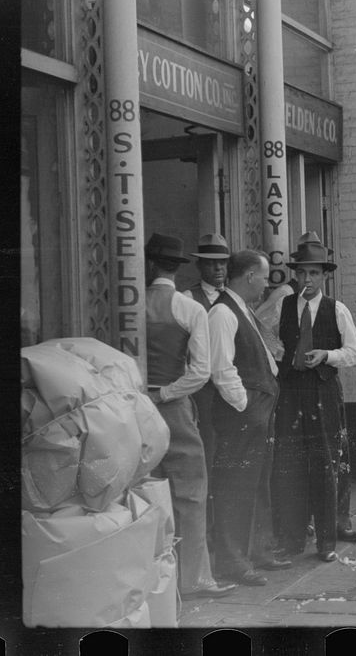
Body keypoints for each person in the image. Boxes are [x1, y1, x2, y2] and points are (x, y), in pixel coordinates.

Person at [144, 233, 237, 600]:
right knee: (192, 494)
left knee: (144, 492)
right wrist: (165, 394)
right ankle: (194, 578)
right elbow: (200, 373)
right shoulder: (189, 308)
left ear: (149, 264)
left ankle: (151, 578)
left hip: (134, 409)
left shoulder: (127, 306)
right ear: (179, 266)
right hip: (174, 407)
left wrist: (144, 395)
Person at [271, 237, 356, 563]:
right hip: (291, 391)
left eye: (314, 274)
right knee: (290, 464)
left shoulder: (336, 309)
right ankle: (291, 539)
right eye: (302, 274)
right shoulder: (284, 305)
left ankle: (326, 541)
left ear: (324, 275)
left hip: (322, 391)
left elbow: (355, 353)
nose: (307, 280)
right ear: (295, 275)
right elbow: (268, 339)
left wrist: (327, 354)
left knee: (325, 463)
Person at [207, 250, 287, 586]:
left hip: (258, 411)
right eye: (265, 276)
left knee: (255, 484)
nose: (268, 284)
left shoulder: (243, 310)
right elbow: (221, 368)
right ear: (250, 276)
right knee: (235, 487)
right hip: (244, 415)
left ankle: (257, 552)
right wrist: (245, 406)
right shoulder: (223, 314)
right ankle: (232, 561)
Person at [181, 232, 231, 551]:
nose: (218, 270)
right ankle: (209, 531)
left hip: (232, 387)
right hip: (204, 390)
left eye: (223, 263)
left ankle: (231, 527)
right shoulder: (189, 297)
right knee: (208, 455)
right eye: (212, 264)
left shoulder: (235, 298)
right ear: (201, 267)